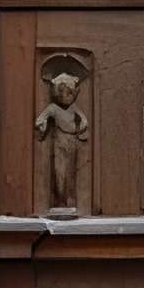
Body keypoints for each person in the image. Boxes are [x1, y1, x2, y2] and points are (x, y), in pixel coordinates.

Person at [34, 67, 88, 215]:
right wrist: (43, 125)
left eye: (69, 92)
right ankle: (60, 201)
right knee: (59, 173)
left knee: (70, 172)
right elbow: (40, 120)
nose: (65, 95)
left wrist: (81, 127)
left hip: (72, 141)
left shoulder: (73, 107)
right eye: (62, 91)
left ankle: (69, 201)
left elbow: (84, 119)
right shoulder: (53, 108)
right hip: (59, 142)